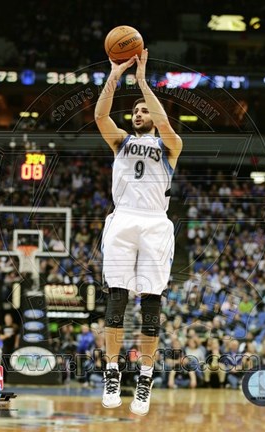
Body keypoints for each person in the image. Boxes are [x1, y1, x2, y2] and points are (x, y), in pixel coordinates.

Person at [94, 48, 182, 416]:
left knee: (151, 303)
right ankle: (112, 372)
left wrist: (143, 81)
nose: (139, 113)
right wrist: (115, 75)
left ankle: (144, 377)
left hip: (155, 222)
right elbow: (100, 115)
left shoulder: (170, 146)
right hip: (123, 218)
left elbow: (164, 122)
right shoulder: (121, 142)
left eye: (143, 110)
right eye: (135, 111)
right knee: (116, 299)